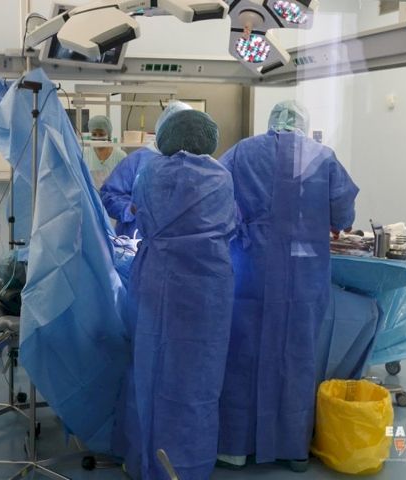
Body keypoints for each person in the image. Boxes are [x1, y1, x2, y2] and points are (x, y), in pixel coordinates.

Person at [216, 100, 359, 471]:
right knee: (297, 359)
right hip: (302, 276)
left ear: (271, 120)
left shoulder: (242, 153)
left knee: (243, 356)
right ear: (304, 123)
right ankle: (293, 448)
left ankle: (234, 447)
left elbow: (215, 198)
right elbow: (343, 214)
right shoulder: (323, 158)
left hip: (251, 270)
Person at [120, 109, 236, 480]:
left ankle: (146, 459)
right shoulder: (221, 176)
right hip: (208, 286)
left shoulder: (150, 172)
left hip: (158, 278)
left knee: (150, 368)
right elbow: (230, 223)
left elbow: (137, 214)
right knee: (200, 376)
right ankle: (190, 463)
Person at [100, 101, 192, 238]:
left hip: (176, 242)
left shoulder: (192, 162)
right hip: (136, 241)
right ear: (164, 130)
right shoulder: (137, 160)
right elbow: (109, 195)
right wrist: (131, 209)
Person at [83, 115, 126, 189]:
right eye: (94, 134)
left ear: (109, 135)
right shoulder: (84, 154)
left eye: (101, 134)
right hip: (91, 196)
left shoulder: (121, 156)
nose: (97, 137)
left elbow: (125, 182)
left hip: (114, 195)